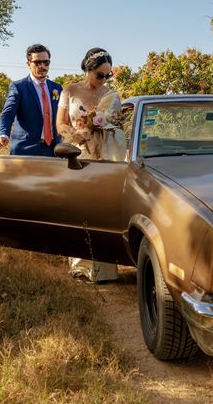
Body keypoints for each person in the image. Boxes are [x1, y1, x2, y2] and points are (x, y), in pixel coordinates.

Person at [57, 47, 127, 282]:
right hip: (78, 153)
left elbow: (117, 126)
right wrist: (77, 134)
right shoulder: (70, 90)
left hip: (104, 155)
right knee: (79, 207)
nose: (104, 80)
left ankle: (105, 270)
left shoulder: (112, 96)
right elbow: (61, 124)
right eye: (100, 75)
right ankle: (80, 266)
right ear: (88, 70)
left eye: (108, 76)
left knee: (101, 209)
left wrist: (99, 127)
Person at [0, 44, 63, 156]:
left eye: (46, 62)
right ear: (28, 64)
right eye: (37, 63)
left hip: (53, 150)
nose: (42, 66)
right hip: (25, 149)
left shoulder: (57, 88)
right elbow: (7, 114)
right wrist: (3, 134)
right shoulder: (18, 87)